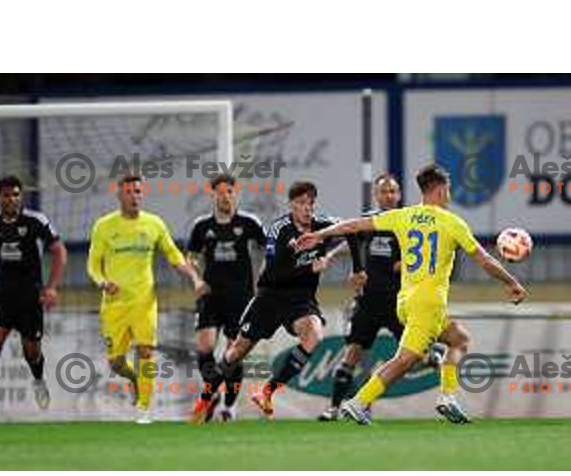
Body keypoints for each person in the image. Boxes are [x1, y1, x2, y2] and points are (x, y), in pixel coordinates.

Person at [295, 164, 529, 424]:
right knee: (405, 359)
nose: (449, 194)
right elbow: (484, 260)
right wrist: (511, 281)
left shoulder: (403, 216)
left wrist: (318, 234)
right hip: (428, 303)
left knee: (459, 339)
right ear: (440, 190)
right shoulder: (452, 223)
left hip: (405, 301)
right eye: (448, 190)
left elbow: (353, 225)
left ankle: (448, 397)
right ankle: (359, 401)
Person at [190, 181, 349, 424]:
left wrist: (347, 264)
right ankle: (206, 398)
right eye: (301, 203)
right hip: (270, 296)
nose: (307, 209)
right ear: (291, 205)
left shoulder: (322, 226)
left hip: (300, 300)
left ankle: (267, 392)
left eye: (310, 203)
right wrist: (308, 265)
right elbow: (275, 272)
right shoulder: (279, 229)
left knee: (314, 334)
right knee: (236, 353)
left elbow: (354, 233)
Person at [87, 175, 207, 425]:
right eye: (129, 191)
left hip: (145, 302)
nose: (134, 196)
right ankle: (133, 379)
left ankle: (144, 408)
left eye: (138, 191)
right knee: (116, 362)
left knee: (146, 352)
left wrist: (195, 279)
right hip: (114, 305)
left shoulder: (154, 224)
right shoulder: (104, 226)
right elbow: (92, 265)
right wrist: (102, 282)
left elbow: (175, 257)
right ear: (119, 195)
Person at [0, 175, 67, 426]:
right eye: (6, 195)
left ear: (21, 196)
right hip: (0, 295)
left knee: (31, 352)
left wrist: (52, 287)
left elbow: (58, 251)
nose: (12, 199)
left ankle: (38, 378)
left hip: (30, 297)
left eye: (16, 194)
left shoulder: (36, 221)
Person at [319, 173, 403, 423]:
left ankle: (447, 395)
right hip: (368, 300)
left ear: (398, 195)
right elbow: (352, 240)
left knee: (416, 355)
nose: (388, 195)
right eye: (384, 191)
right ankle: (334, 408)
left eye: (392, 191)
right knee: (352, 353)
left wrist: (401, 265)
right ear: (376, 195)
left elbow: (416, 256)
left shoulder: (407, 222)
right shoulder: (368, 220)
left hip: (398, 301)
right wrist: (332, 256)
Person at [187, 173, 266, 422]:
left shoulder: (249, 222)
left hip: (240, 298)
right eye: (220, 192)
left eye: (229, 192)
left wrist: (261, 280)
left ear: (235, 193)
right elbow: (189, 259)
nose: (225, 197)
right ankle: (212, 393)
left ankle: (229, 407)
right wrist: (196, 280)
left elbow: (269, 249)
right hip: (211, 296)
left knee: (234, 352)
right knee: (205, 347)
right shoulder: (202, 226)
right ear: (213, 195)